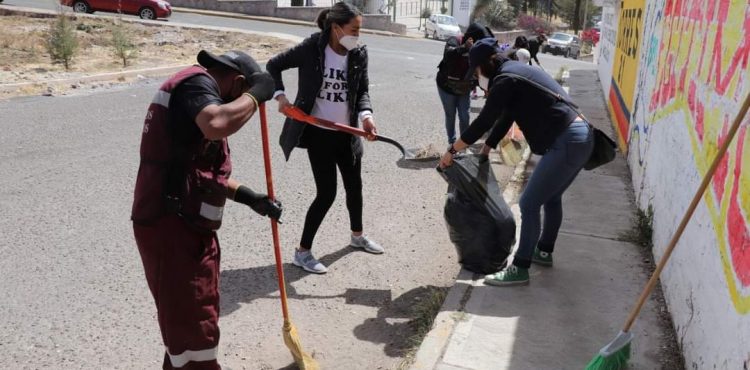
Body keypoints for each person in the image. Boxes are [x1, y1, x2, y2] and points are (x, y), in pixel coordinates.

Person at [131, 50, 281, 369]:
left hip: (189, 229)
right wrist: (256, 95)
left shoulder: (196, 96)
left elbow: (198, 172)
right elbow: (217, 123)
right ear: (238, 82)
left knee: (185, 328)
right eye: (241, 95)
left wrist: (250, 197)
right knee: (194, 333)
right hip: (171, 231)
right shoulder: (196, 85)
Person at [439, 38, 594, 286]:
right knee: (551, 198)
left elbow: (484, 121)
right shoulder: (515, 73)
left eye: (476, 71)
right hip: (581, 136)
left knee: (529, 203)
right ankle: (543, 251)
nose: (477, 77)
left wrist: (452, 149)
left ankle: (520, 268)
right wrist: (488, 146)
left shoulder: (504, 80)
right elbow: (508, 115)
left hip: (567, 140)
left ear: (488, 64)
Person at [266, 2, 383, 275]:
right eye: (354, 29)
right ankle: (302, 252)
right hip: (318, 134)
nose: (357, 35)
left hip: (347, 132)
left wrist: (366, 116)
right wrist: (280, 96)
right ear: (336, 27)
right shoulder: (312, 48)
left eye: (359, 30)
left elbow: (362, 90)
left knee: (355, 187)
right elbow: (274, 65)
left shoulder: (358, 53)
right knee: (327, 193)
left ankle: (357, 236)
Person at [436, 22, 494, 145]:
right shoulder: (455, 40)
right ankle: (452, 142)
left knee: (464, 115)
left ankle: (463, 144)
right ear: (471, 37)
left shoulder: (479, 49)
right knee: (450, 115)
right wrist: (464, 48)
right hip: (446, 85)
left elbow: (479, 71)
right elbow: (447, 55)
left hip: (464, 87)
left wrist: (485, 88)